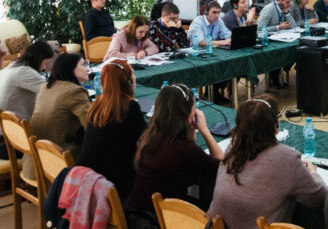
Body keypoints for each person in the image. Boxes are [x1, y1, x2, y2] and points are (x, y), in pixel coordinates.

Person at [207, 96, 326, 228]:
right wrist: (313, 173)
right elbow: (318, 198)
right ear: (275, 124)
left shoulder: (233, 146)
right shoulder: (287, 157)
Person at [126, 83, 223, 215]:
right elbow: (221, 167)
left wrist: (190, 134)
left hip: (135, 214)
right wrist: (204, 130)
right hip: (159, 219)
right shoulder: (185, 149)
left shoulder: (148, 138)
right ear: (188, 114)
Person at [77, 59, 147, 200]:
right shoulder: (129, 107)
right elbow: (148, 138)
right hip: (114, 185)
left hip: (89, 180)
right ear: (128, 82)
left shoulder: (96, 105)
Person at [24, 53, 90, 178]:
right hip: (57, 163)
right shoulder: (74, 91)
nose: (87, 69)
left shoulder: (47, 85)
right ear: (70, 68)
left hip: (33, 163)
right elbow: (91, 125)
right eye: (83, 65)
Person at [0, 41, 54, 159]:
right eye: (45, 63)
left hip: (5, 139)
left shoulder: (11, 67)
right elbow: (52, 93)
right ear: (39, 59)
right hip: (13, 146)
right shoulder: (24, 72)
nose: (45, 68)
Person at [257, 0, 297, 89]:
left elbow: (294, 26)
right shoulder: (269, 9)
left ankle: (280, 75)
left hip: (279, 38)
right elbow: (259, 29)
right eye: (287, 2)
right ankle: (274, 79)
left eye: (290, 2)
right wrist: (278, 27)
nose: (289, 4)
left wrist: (287, 13)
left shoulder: (284, 8)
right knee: (277, 53)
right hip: (266, 40)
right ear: (279, 0)